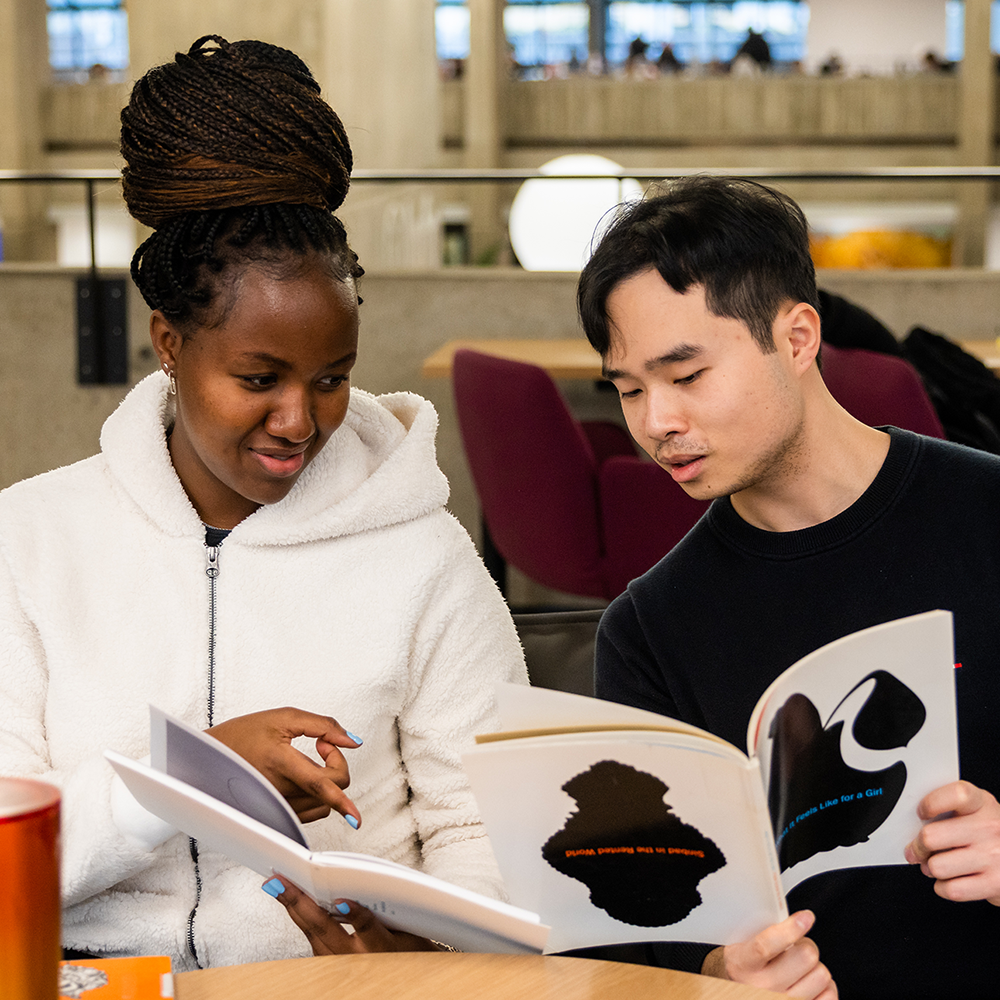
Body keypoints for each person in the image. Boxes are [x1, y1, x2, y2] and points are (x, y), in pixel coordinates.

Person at [0, 36, 526, 970]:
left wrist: (425, 950)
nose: (300, 420)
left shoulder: (427, 556)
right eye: (259, 377)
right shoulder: (32, 540)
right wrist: (179, 782)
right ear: (169, 342)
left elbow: (488, 830)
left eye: (332, 378)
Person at [576, 176, 1000, 1000]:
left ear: (797, 337)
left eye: (686, 375)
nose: (656, 420)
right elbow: (643, 920)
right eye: (628, 389)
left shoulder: (988, 514)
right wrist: (720, 971)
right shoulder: (648, 628)